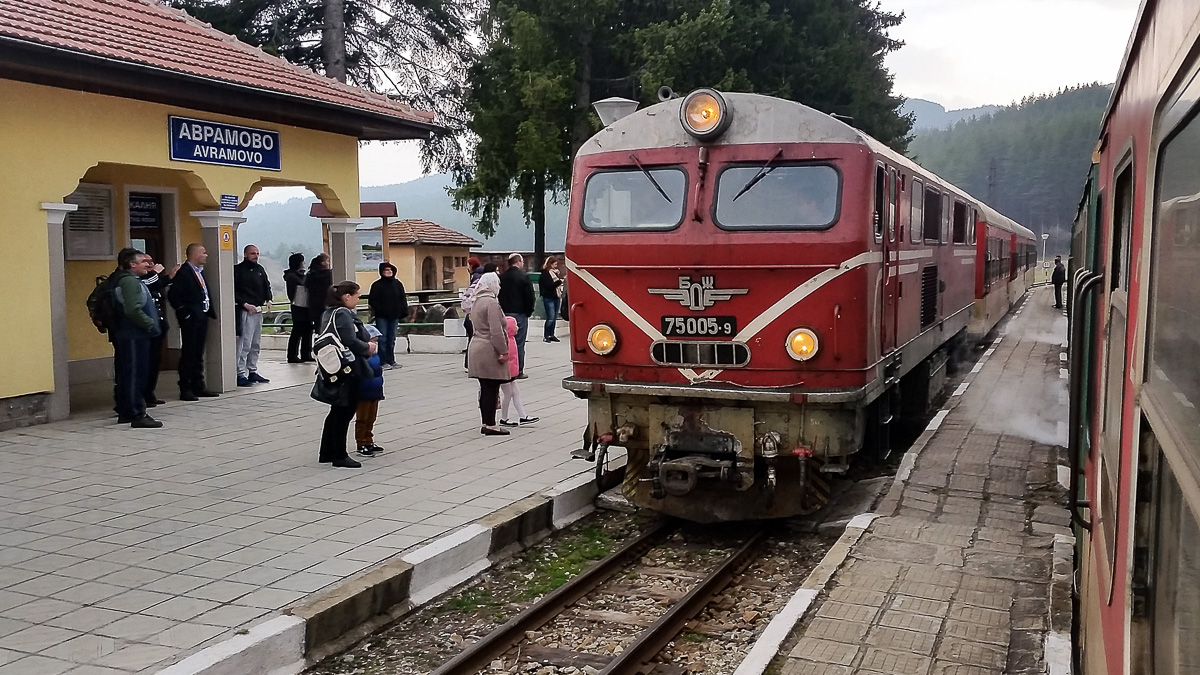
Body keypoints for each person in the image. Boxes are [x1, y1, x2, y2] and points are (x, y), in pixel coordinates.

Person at [317, 281, 376, 468]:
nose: (359, 299)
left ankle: (327, 451)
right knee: (345, 411)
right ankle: (339, 455)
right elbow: (351, 339)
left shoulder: (328, 312)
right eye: (357, 295)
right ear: (346, 297)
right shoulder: (343, 313)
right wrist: (368, 347)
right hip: (349, 368)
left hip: (334, 367)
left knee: (336, 411)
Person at [110, 248, 163, 428]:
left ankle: (126, 411)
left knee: (129, 374)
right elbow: (133, 310)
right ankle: (137, 413)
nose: (148, 264)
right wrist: (150, 324)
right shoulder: (129, 283)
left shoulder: (132, 280)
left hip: (132, 334)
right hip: (134, 335)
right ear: (132, 265)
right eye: (142, 262)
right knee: (135, 374)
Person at [168, 243, 219, 401]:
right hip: (191, 319)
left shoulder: (199, 272)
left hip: (201, 317)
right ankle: (186, 387)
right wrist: (185, 314)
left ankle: (199, 385)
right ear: (195, 254)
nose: (206, 255)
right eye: (203, 252)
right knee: (189, 353)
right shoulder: (184, 273)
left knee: (198, 353)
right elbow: (174, 295)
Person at [467, 272, 510, 436]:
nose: (499, 286)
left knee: (485, 388)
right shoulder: (491, 303)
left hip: (476, 346)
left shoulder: (477, 300)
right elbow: (496, 330)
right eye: (497, 283)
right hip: (489, 349)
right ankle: (491, 425)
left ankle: (486, 421)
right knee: (492, 388)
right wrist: (503, 351)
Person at [139, 257, 178, 407]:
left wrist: (168, 278)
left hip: (157, 328)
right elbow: (147, 285)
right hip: (144, 330)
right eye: (145, 261)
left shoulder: (151, 280)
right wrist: (156, 272)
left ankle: (149, 393)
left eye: (151, 261)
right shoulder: (136, 281)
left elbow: (157, 285)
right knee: (145, 363)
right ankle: (141, 395)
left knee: (154, 362)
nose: (149, 263)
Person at [234, 244, 272, 387]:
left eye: (257, 253)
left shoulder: (260, 269)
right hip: (245, 310)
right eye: (252, 253)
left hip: (258, 309)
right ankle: (240, 372)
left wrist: (269, 299)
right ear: (245, 254)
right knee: (245, 343)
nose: (255, 256)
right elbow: (234, 290)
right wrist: (244, 304)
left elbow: (266, 285)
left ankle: (252, 370)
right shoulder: (238, 270)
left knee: (255, 343)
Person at [498, 253, 535, 378]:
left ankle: (504, 369)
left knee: (504, 342)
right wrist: (529, 312)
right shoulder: (524, 277)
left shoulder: (501, 277)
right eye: (522, 262)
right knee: (519, 342)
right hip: (519, 314)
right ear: (518, 262)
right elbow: (530, 297)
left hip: (504, 313)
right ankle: (518, 370)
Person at [499, 315, 539, 427]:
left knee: (515, 393)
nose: (517, 327)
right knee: (508, 394)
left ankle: (523, 416)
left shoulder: (511, 340)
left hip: (510, 373)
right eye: (515, 325)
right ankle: (504, 418)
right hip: (506, 374)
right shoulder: (508, 341)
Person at [367, 261, 408, 369]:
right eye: (386, 270)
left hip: (394, 315)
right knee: (383, 339)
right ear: (381, 272)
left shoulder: (397, 284)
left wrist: (403, 311)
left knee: (391, 339)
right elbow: (372, 300)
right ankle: (382, 361)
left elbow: (402, 298)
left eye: (390, 270)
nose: (389, 272)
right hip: (382, 316)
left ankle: (391, 360)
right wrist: (380, 309)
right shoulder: (377, 285)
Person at [354, 324, 386, 457]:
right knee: (363, 418)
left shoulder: (376, 356)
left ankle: (369, 440)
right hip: (364, 392)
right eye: (373, 340)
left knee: (371, 418)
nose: (375, 343)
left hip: (375, 391)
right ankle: (361, 442)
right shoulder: (361, 355)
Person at [283, 253, 313, 363]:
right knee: (297, 331)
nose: (304, 263)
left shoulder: (300, 275)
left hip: (305, 307)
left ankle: (306, 353)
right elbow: (298, 289)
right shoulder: (292, 276)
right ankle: (292, 355)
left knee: (307, 331)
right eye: (302, 261)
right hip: (298, 307)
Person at [305, 253, 334, 346]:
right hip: (327, 304)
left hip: (314, 305)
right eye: (327, 261)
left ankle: (319, 347)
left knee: (319, 329)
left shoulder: (310, 275)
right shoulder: (329, 275)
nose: (329, 263)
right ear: (322, 263)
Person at [539, 256, 564, 343]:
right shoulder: (545, 274)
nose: (556, 266)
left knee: (554, 317)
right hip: (549, 297)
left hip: (555, 297)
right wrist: (560, 281)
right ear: (550, 264)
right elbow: (549, 286)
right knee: (550, 317)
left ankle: (551, 334)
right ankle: (546, 335)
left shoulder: (554, 273)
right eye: (554, 264)